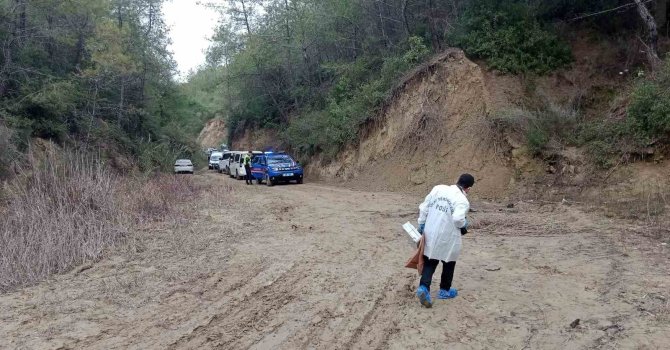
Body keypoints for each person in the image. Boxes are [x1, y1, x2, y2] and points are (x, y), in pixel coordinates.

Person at [415, 173, 474, 308]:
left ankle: (423, 288)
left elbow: (424, 207)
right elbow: (458, 219)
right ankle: (444, 290)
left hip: (431, 231)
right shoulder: (462, 200)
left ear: (457, 180)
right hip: (449, 236)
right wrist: (464, 224)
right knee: (449, 261)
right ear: (468, 188)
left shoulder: (438, 189)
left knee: (430, 260)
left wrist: (422, 224)